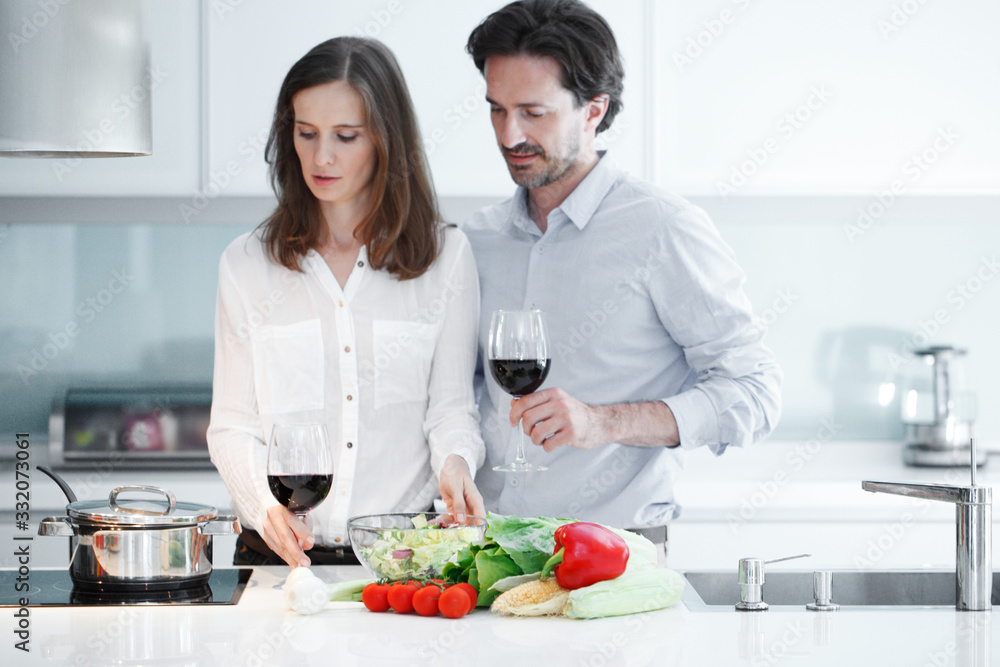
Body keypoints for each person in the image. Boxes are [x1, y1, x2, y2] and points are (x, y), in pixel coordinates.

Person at [462, 0, 782, 545]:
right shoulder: (475, 239)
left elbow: (755, 391)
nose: (508, 134)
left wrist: (602, 423)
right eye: (496, 109)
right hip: (486, 548)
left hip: (616, 556)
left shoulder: (663, 229)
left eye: (533, 113)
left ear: (593, 110)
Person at [207, 37, 485, 569]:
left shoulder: (446, 257)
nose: (321, 156)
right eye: (305, 133)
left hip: (405, 560)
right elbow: (233, 424)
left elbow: (451, 409)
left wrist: (456, 463)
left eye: (345, 136)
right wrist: (265, 508)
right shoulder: (246, 264)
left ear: (385, 140)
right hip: (278, 557)